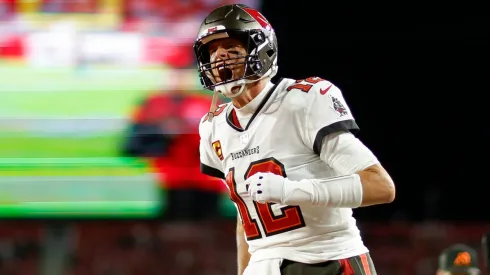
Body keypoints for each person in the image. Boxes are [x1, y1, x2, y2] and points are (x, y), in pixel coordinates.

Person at [194, 4, 395, 275]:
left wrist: (292, 191)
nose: (220, 59)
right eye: (212, 51)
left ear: (260, 50)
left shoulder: (302, 100)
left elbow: (381, 186)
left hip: (328, 259)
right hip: (265, 265)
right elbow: (245, 214)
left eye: (231, 47)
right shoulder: (213, 128)